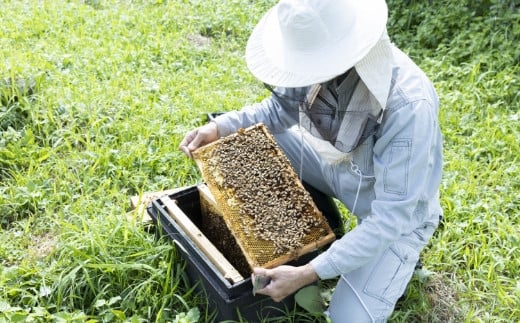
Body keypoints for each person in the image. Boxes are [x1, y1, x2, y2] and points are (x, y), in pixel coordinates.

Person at [179, 0, 443, 321]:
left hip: (395, 214)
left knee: (348, 318)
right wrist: (218, 126)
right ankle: (332, 231)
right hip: (337, 167)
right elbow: (280, 111)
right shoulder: (313, 60)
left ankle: (400, 258)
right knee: (242, 138)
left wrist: (308, 272)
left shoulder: (408, 105)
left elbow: (391, 216)